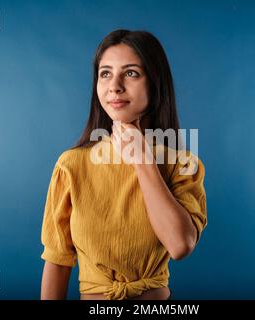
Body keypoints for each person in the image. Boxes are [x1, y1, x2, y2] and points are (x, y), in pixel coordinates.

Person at [40, 29, 207, 300]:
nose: (114, 86)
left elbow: (180, 246)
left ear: (155, 83)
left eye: (130, 73)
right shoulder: (71, 165)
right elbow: (58, 261)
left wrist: (143, 161)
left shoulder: (182, 164)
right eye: (105, 73)